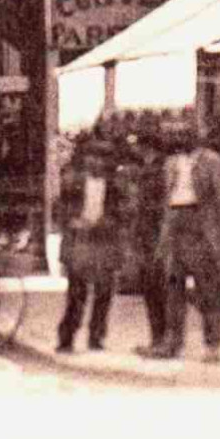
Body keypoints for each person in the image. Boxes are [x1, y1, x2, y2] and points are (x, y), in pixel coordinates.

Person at [144, 120, 220, 363]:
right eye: (177, 134)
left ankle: (213, 345)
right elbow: (166, 199)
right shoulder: (171, 164)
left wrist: (214, 230)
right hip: (175, 222)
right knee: (173, 286)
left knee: (207, 288)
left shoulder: (212, 161)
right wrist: (165, 232)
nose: (180, 138)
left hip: (199, 222)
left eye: (186, 133)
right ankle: (173, 341)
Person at [56, 139, 123, 353]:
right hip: (80, 239)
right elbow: (60, 209)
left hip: (104, 240)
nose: (96, 162)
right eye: (92, 157)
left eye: (102, 158)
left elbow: (121, 212)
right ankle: (67, 337)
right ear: (85, 159)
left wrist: (109, 222)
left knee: (104, 291)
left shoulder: (114, 185)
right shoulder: (73, 182)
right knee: (77, 291)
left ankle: (97, 336)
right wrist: (72, 221)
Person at [129, 134, 170, 355]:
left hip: (153, 237)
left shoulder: (157, 171)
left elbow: (157, 207)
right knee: (151, 288)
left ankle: (161, 339)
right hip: (147, 236)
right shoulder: (150, 170)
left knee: (156, 289)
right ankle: (157, 339)